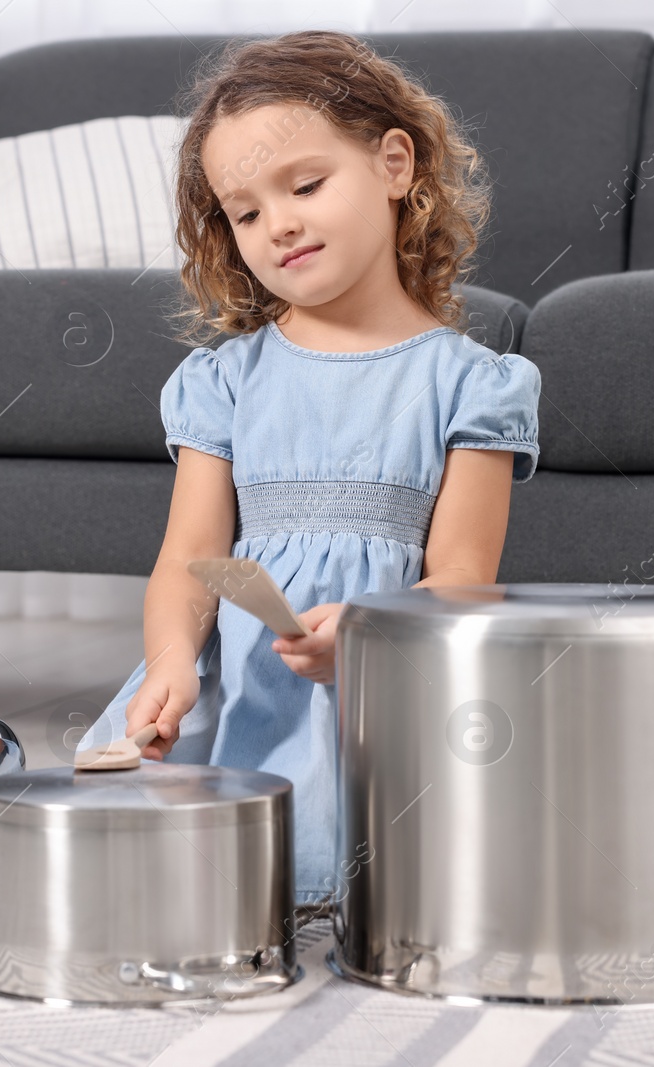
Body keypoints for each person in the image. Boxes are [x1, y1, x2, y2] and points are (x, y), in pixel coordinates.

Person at [74, 29, 541, 905]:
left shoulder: (475, 384)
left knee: (412, 882)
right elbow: (190, 555)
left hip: (388, 691)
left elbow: (466, 580)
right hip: (243, 679)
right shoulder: (224, 379)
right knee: (129, 866)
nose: (278, 222)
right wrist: (172, 656)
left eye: (307, 185)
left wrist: (369, 634)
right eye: (245, 212)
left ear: (394, 165)